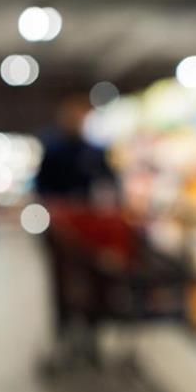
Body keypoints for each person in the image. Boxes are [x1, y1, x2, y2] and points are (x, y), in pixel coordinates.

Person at [35, 94, 121, 372]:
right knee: (63, 284)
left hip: (92, 231)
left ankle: (92, 333)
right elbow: (41, 188)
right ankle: (64, 333)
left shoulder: (95, 151)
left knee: (96, 281)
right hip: (62, 230)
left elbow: (112, 182)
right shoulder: (52, 148)